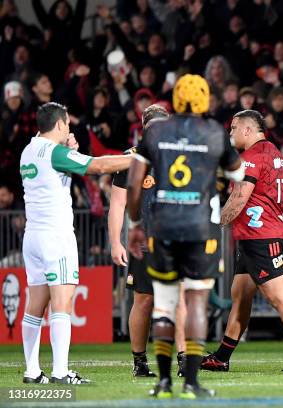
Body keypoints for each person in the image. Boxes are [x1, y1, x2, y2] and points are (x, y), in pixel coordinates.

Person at [126, 74, 243, 399]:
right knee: (195, 304)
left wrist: (136, 224)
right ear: (205, 99)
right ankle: (191, 382)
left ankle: (163, 382)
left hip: (161, 227)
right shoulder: (214, 133)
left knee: (163, 305)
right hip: (199, 229)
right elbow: (238, 174)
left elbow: (134, 184)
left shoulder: (155, 132)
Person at [200, 109, 283, 372]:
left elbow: (239, 197)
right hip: (260, 237)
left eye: (233, 128)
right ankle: (222, 358)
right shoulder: (277, 156)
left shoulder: (252, 157)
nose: (230, 133)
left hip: (259, 238)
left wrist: (213, 226)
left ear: (247, 130)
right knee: (241, 296)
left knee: (280, 299)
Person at [20, 102, 132, 384]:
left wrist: (70, 151)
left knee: (35, 304)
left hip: (32, 236)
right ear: (59, 125)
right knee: (62, 303)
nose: (69, 127)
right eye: (67, 123)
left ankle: (32, 371)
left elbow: (57, 168)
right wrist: (137, 159)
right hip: (56, 237)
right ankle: (60, 372)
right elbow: (99, 166)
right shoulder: (56, 152)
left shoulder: (28, 150)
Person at [108, 104, 187, 377]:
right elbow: (117, 205)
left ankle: (184, 359)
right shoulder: (130, 159)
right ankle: (139, 361)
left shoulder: (180, 156)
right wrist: (115, 242)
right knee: (143, 299)